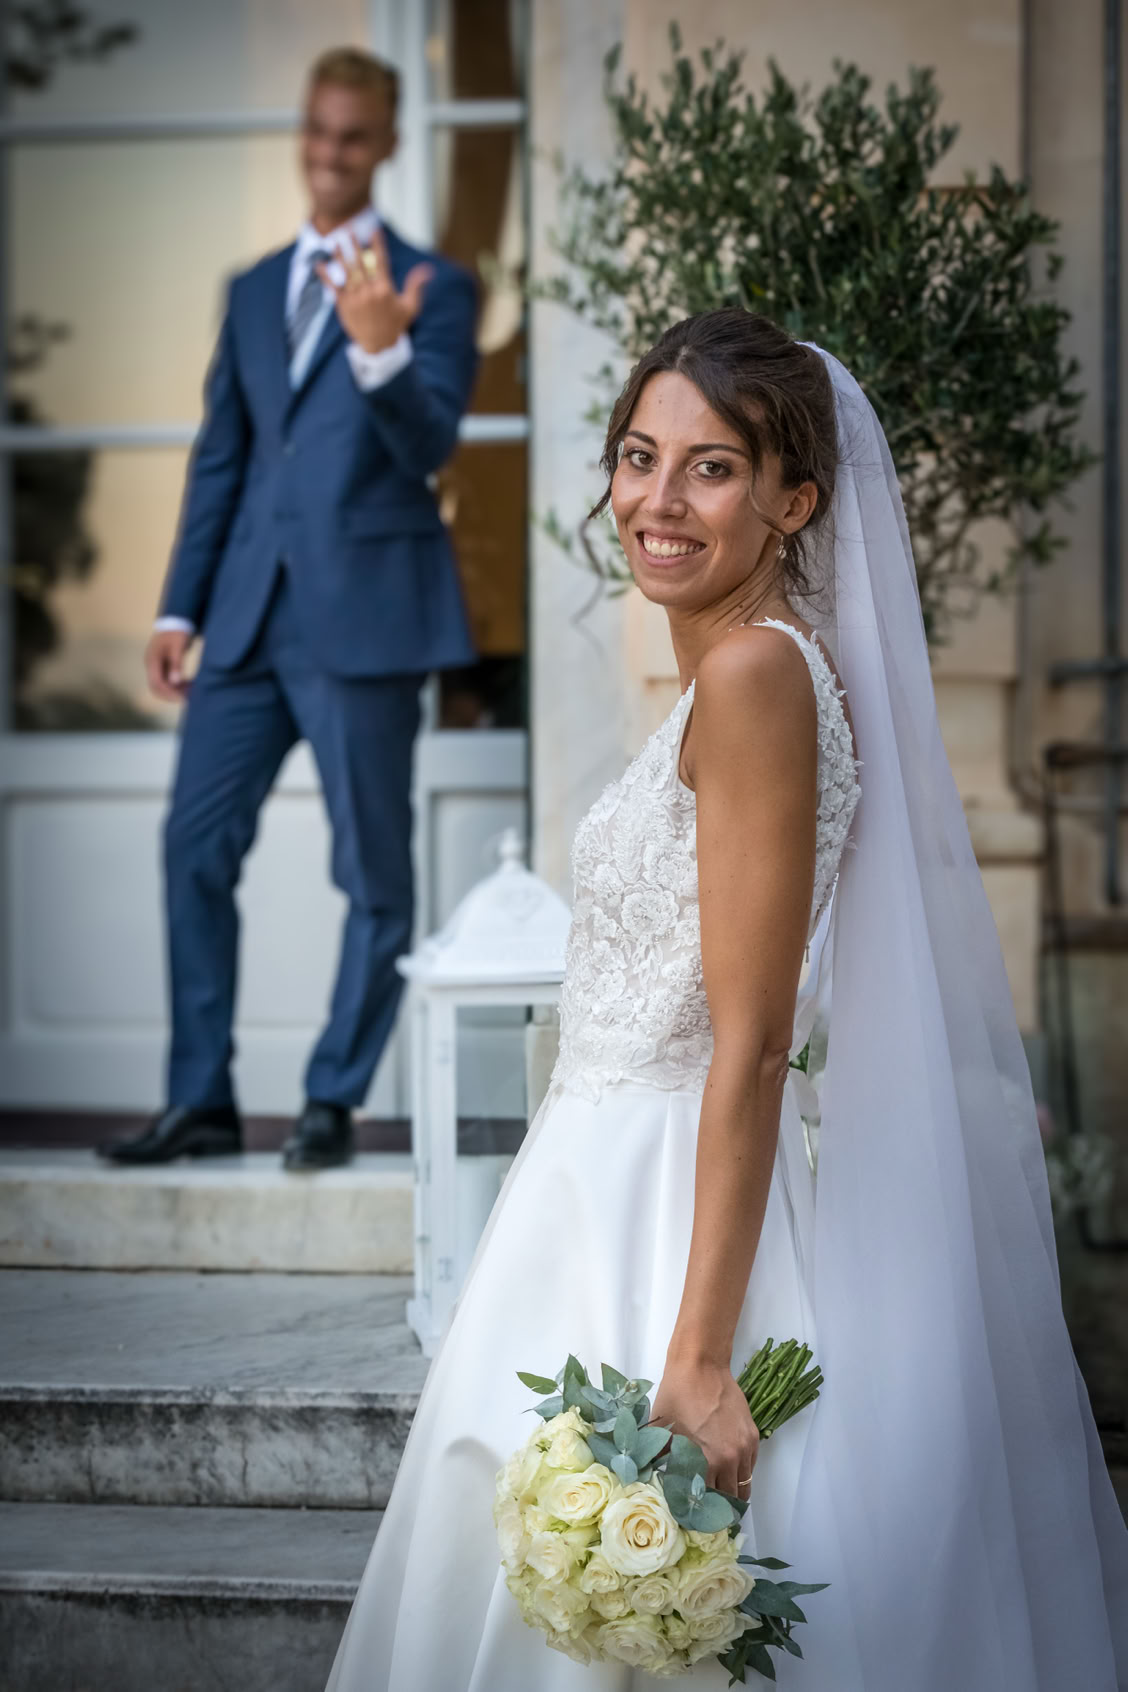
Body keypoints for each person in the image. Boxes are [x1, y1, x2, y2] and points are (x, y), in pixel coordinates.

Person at [325, 311, 1128, 1690]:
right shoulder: (752, 664)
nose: (656, 499)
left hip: (662, 1211)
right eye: (640, 457)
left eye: (709, 468)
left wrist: (696, 1360)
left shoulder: (756, 676)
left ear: (793, 500)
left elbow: (751, 1048)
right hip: (606, 1182)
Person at [99, 49, 478, 1172]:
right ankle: (200, 1098)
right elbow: (224, 457)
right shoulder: (253, 286)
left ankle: (333, 1096)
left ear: (387, 145)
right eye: (316, 131)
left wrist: (380, 354)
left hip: (367, 618)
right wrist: (178, 605)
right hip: (246, 618)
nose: (328, 154)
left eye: (352, 137)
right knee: (192, 847)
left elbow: (432, 443)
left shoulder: (433, 286)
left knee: (371, 873)